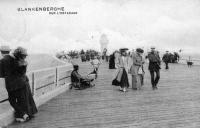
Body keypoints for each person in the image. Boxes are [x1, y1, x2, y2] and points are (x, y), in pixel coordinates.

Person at [0, 47, 38, 122]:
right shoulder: (19, 60)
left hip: (12, 84)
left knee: (12, 100)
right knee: (25, 99)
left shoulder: (3, 61)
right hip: (23, 82)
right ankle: (29, 114)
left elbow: (1, 74)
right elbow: (20, 71)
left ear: (1, 52)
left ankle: (24, 114)